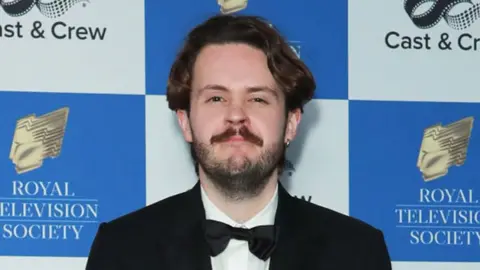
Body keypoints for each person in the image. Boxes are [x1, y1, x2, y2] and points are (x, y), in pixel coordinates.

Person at [85, 14, 392, 270]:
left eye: (257, 99)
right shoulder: (122, 249)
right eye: (216, 98)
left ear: (291, 123)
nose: (236, 116)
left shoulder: (357, 253)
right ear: (185, 122)